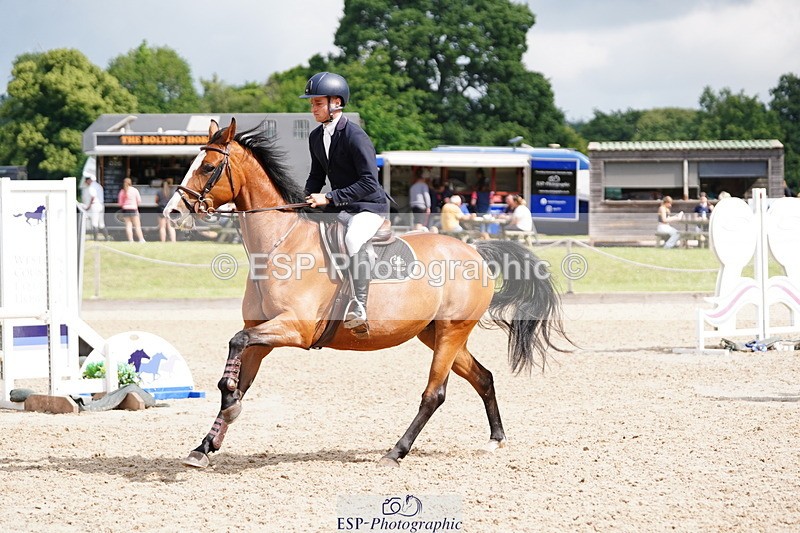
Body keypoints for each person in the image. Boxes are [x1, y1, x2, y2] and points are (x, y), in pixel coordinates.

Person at [301, 71, 389, 333]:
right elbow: (316, 175)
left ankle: (359, 305)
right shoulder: (316, 137)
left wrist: (328, 197)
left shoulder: (355, 136)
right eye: (312, 103)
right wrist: (302, 201)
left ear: (336, 102)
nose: (313, 108)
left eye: (317, 103)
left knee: (352, 238)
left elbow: (369, 183)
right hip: (342, 205)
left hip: (368, 206)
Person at [81, 176, 110, 240]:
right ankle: (107, 238)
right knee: (101, 223)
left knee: (95, 222)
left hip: (95, 205)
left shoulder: (91, 187)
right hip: (101, 205)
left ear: (88, 180)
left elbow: (93, 197)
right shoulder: (98, 186)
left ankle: (95, 239)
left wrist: (88, 206)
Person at [118, 177, 145, 242]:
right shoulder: (134, 190)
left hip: (125, 210)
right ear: (131, 182)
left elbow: (120, 203)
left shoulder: (122, 191)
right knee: (137, 226)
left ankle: (130, 240)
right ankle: (141, 239)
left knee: (128, 225)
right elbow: (139, 200)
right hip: (133, 209)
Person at [155, 178, 177, 242]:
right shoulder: (172, 192)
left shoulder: (159, 191)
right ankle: (173, 241)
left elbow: (156, 200)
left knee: (162, 227)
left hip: (161, 209)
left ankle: (163, 241)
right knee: (171, 227)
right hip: (170, 210)